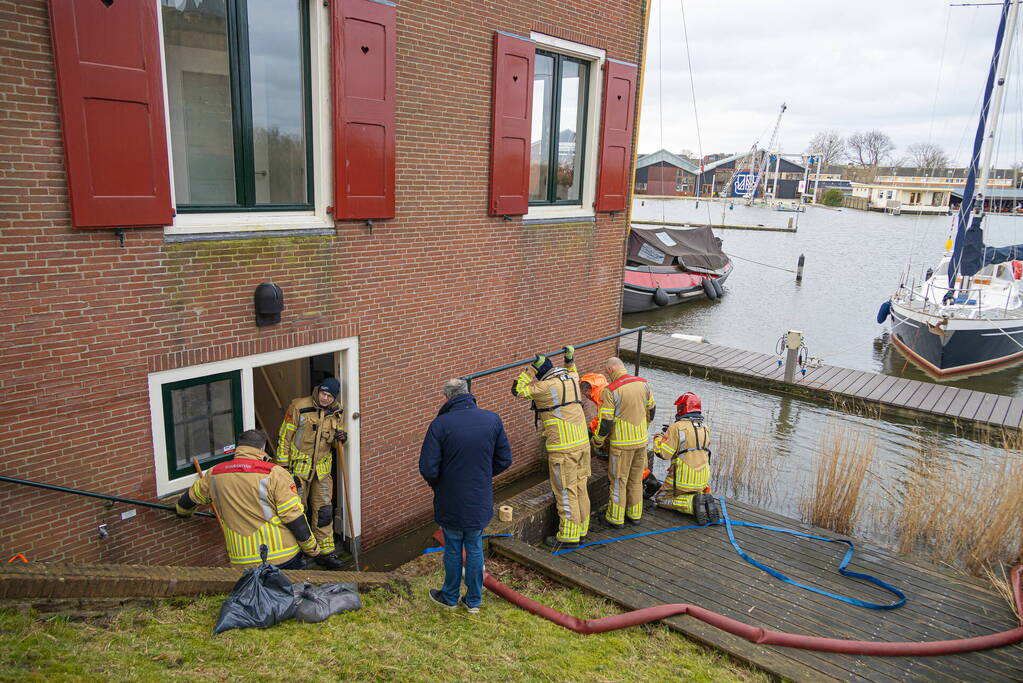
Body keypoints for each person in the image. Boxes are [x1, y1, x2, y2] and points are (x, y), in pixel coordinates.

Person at [420, 378, 512, 613]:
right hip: (479, 497)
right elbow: (504, 460)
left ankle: (449, 597)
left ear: (447, 398)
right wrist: (482, 475)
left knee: (452, 547)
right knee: (474, 547)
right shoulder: (492, 419)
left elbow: (428, 468)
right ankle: (473, 601)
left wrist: (441, 485)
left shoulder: (440, 425)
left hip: (450, 498)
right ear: (468, 393)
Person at [175, 430, 321, 569]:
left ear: (239, 448)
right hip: (281, 556)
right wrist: (312, 548)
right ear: (263, 448)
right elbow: (292, 516)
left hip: (241, 560)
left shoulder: (214, 473)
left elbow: (186, 502)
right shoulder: (275, 474)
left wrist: (182, 512)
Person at [513, 346, 591, 548]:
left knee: (565, 491)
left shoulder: (544, 387)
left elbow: (517, 390)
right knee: (581, 487)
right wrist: (569, 357)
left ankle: (568, 536)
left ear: (542, 376)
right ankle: (581, 529)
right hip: (583, 444)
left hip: (563, 448)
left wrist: (530, 370)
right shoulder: (572, 378)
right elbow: (572, 368)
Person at [276, 377, 347, 570]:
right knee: (297, 512)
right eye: (323, 394)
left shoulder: (336, 412)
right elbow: (285, 436)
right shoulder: (299, 407)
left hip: (322, 472)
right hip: (297, 471)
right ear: (318, 391)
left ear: (334, 398)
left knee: (324, 511)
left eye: (329, 396)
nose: (325, 398)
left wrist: (342, 437)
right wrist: (283, 468)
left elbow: (334, 442)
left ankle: (325, 552)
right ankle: (297, 553)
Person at [592, 357, 655, 527]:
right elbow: (652, 409)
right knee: (635, 480)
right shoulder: (643, 383)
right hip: (641, 442)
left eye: (607, 372)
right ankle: (635, 515)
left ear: (611, 370)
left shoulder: (610, 390)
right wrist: (644, 427)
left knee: (618, 481)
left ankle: (615, 518)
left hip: (622, 445)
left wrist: (598, 441)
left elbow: (606, 421)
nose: (607, 375)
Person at [652, 392, 720, 524]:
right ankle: (700, 499)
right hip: (702, 480)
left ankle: (691, 505)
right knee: (692, 492)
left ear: (682, 408)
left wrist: (659, 437)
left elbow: (663, 454)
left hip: (682, 479)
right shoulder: (706, 428)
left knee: (660, 498)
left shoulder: (676, 427)